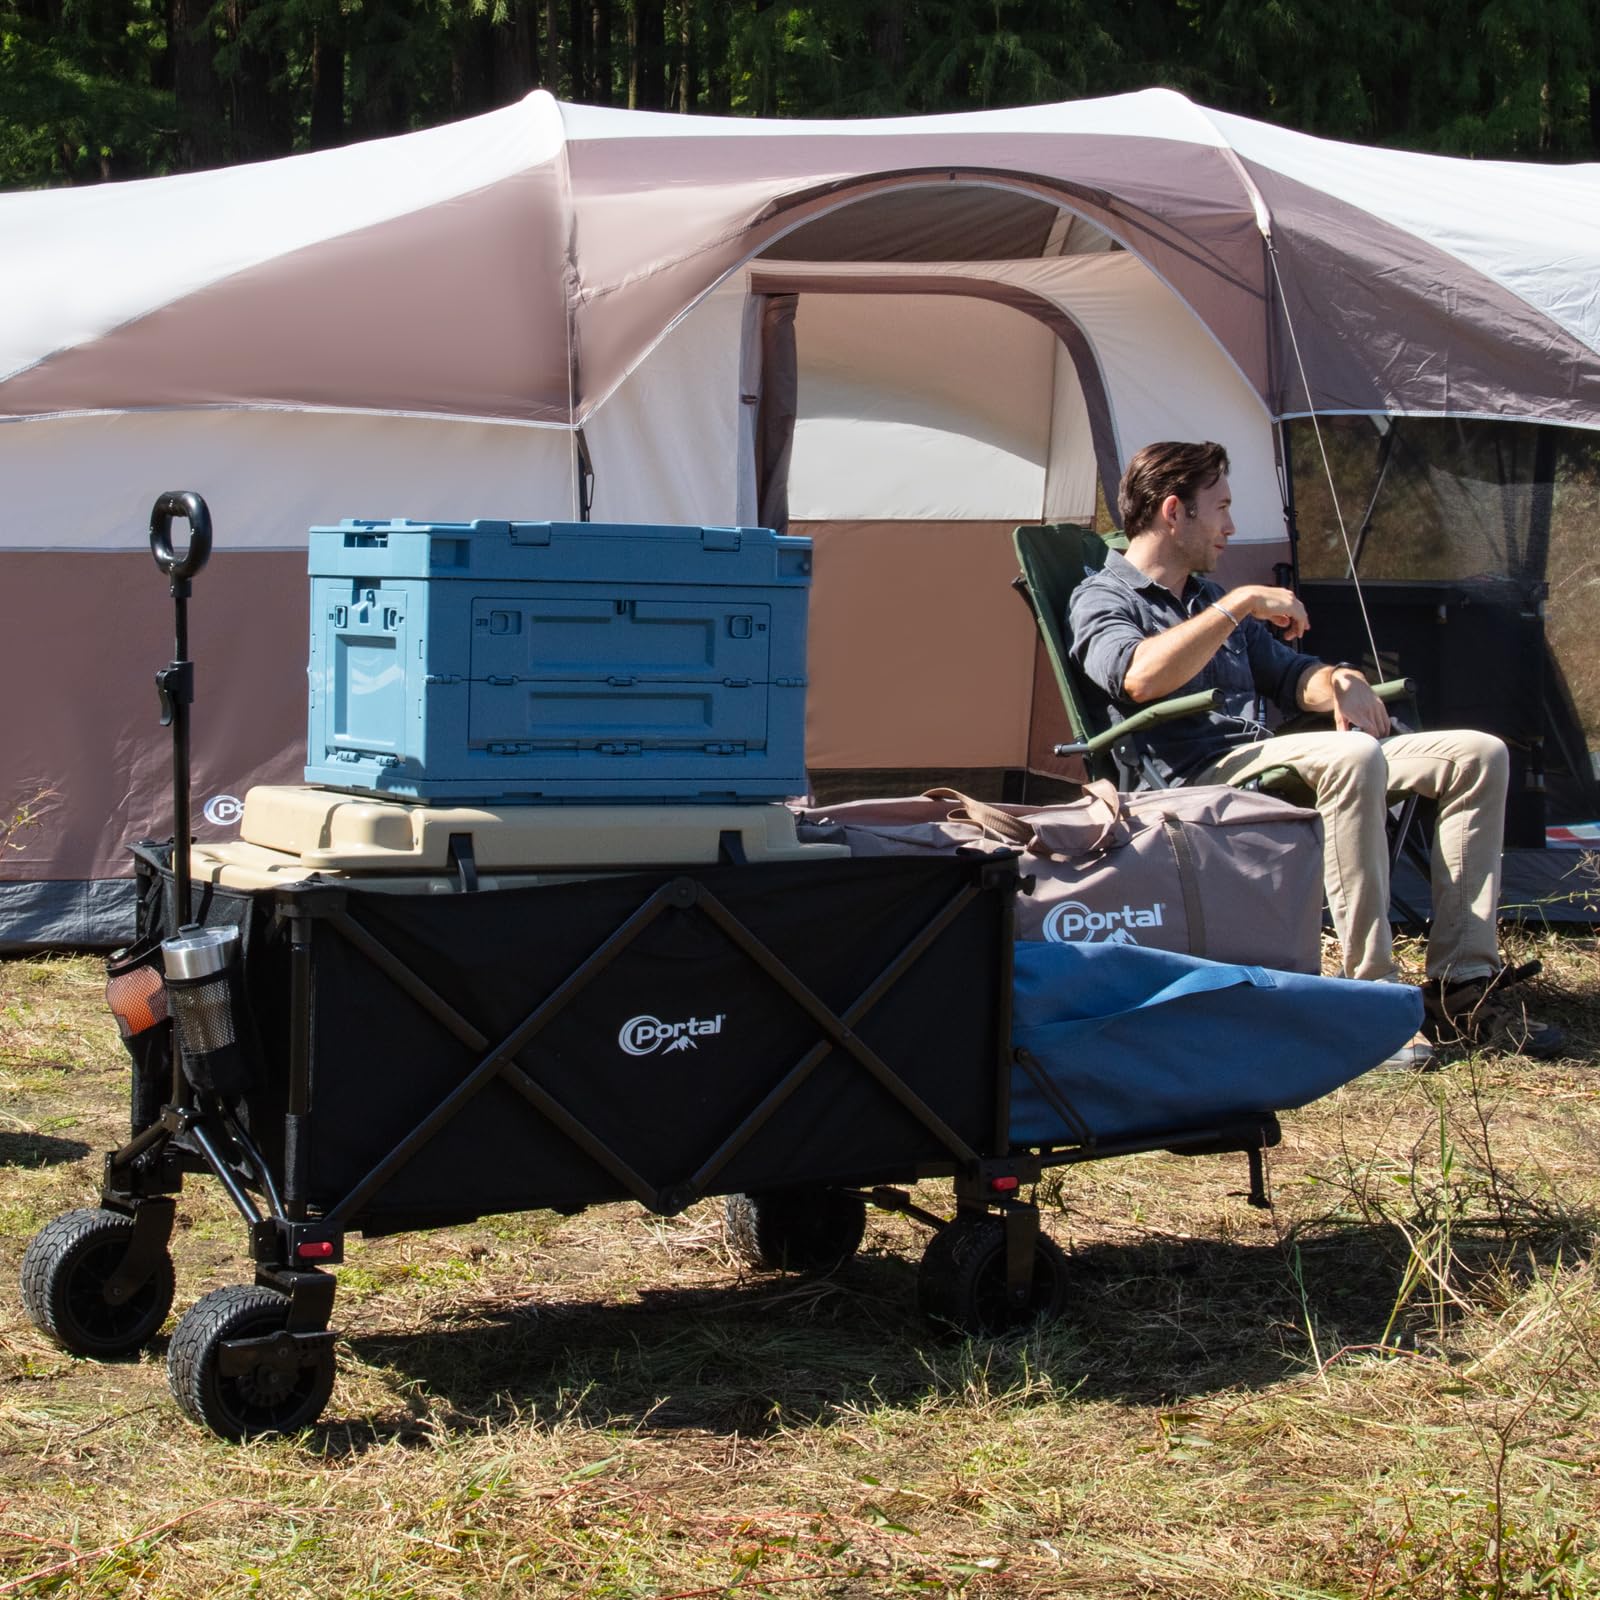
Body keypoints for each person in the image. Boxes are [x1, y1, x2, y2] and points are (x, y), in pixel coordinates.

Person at [1068, 439, 1562, 1065]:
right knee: (1352, 757)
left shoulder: (1204, 597)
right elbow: (1139, 677)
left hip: (1263, 758)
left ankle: (1462, 983)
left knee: (1478, 752)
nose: (1230, 524)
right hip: (1190, 779)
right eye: (1219, 507)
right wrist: (1240, 603)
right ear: (1175, 511)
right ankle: (1367, 1000)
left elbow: (1294, 677)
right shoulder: (1105, 599)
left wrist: (1343, 679)